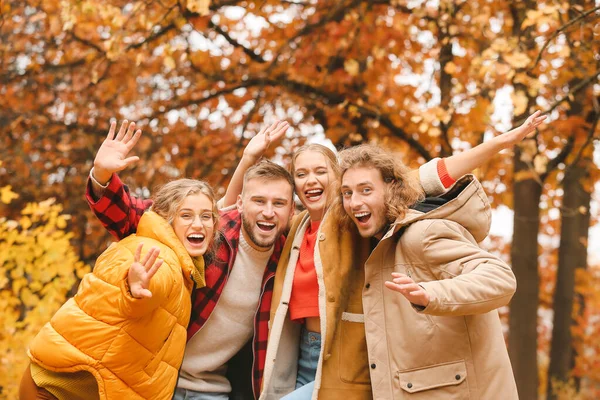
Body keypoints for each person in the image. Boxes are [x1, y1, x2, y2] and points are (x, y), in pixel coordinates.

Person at [246, 112, 546, 399]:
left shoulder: (349, 217)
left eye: (320, 171)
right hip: (301, 351)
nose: (311, 180)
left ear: (337, 180)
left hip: (343, 356)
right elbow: (235, 212)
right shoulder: (295, 225)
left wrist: (500, 143)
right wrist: (248, 159)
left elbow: (431, 176)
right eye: (301, 174)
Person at [85, 119, 295, 399]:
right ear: (241, 203)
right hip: (154, 377)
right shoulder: (213, 232)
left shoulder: (288, 257)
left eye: (279, 204)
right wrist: (102, 175)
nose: (268, 212)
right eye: (259, 201)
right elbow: (136, 216)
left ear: (292, 210)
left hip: (211, 389)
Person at [19, 121, 219, 400]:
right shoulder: (161, 256)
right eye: (186, 215)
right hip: (57, 389)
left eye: (206, 216)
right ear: (166, 219)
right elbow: (148, 286)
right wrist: (134, 288)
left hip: (78, 382)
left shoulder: (185, 265)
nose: (198, 224)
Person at [337, 143, 519, 399]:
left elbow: (499, 278)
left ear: (392, 189)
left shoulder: (421, 234)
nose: (355, 202)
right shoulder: (381, 246)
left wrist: (430, 294)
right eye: (347, 193)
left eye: (366, 190)